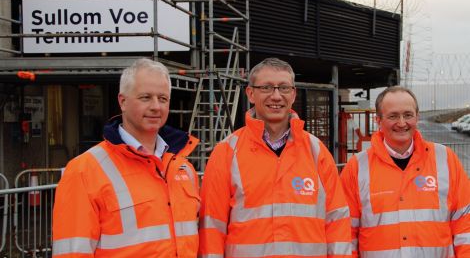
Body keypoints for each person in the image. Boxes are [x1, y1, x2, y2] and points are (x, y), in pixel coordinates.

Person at [199, 57, 352, 258]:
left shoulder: (316, 151)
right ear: (251, 93)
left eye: (284, 88)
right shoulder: (227, 152)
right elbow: (212, 227)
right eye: (267, 88)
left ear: (294, 94)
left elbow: (337, 221)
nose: (276, 96)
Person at [52, 58, 200, 257]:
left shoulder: (183, 168)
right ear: (122, 101)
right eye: (146, 97)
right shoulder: (84, 170)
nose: (156, 106)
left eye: (163, 98)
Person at [340, 86, 470, 257]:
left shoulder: (446, 159)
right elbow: (345, 233)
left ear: (417, 117)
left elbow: (465, 226)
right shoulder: (356, 167)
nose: (402, 123)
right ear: (378, 120)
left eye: (408, 115)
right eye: (393, 116)